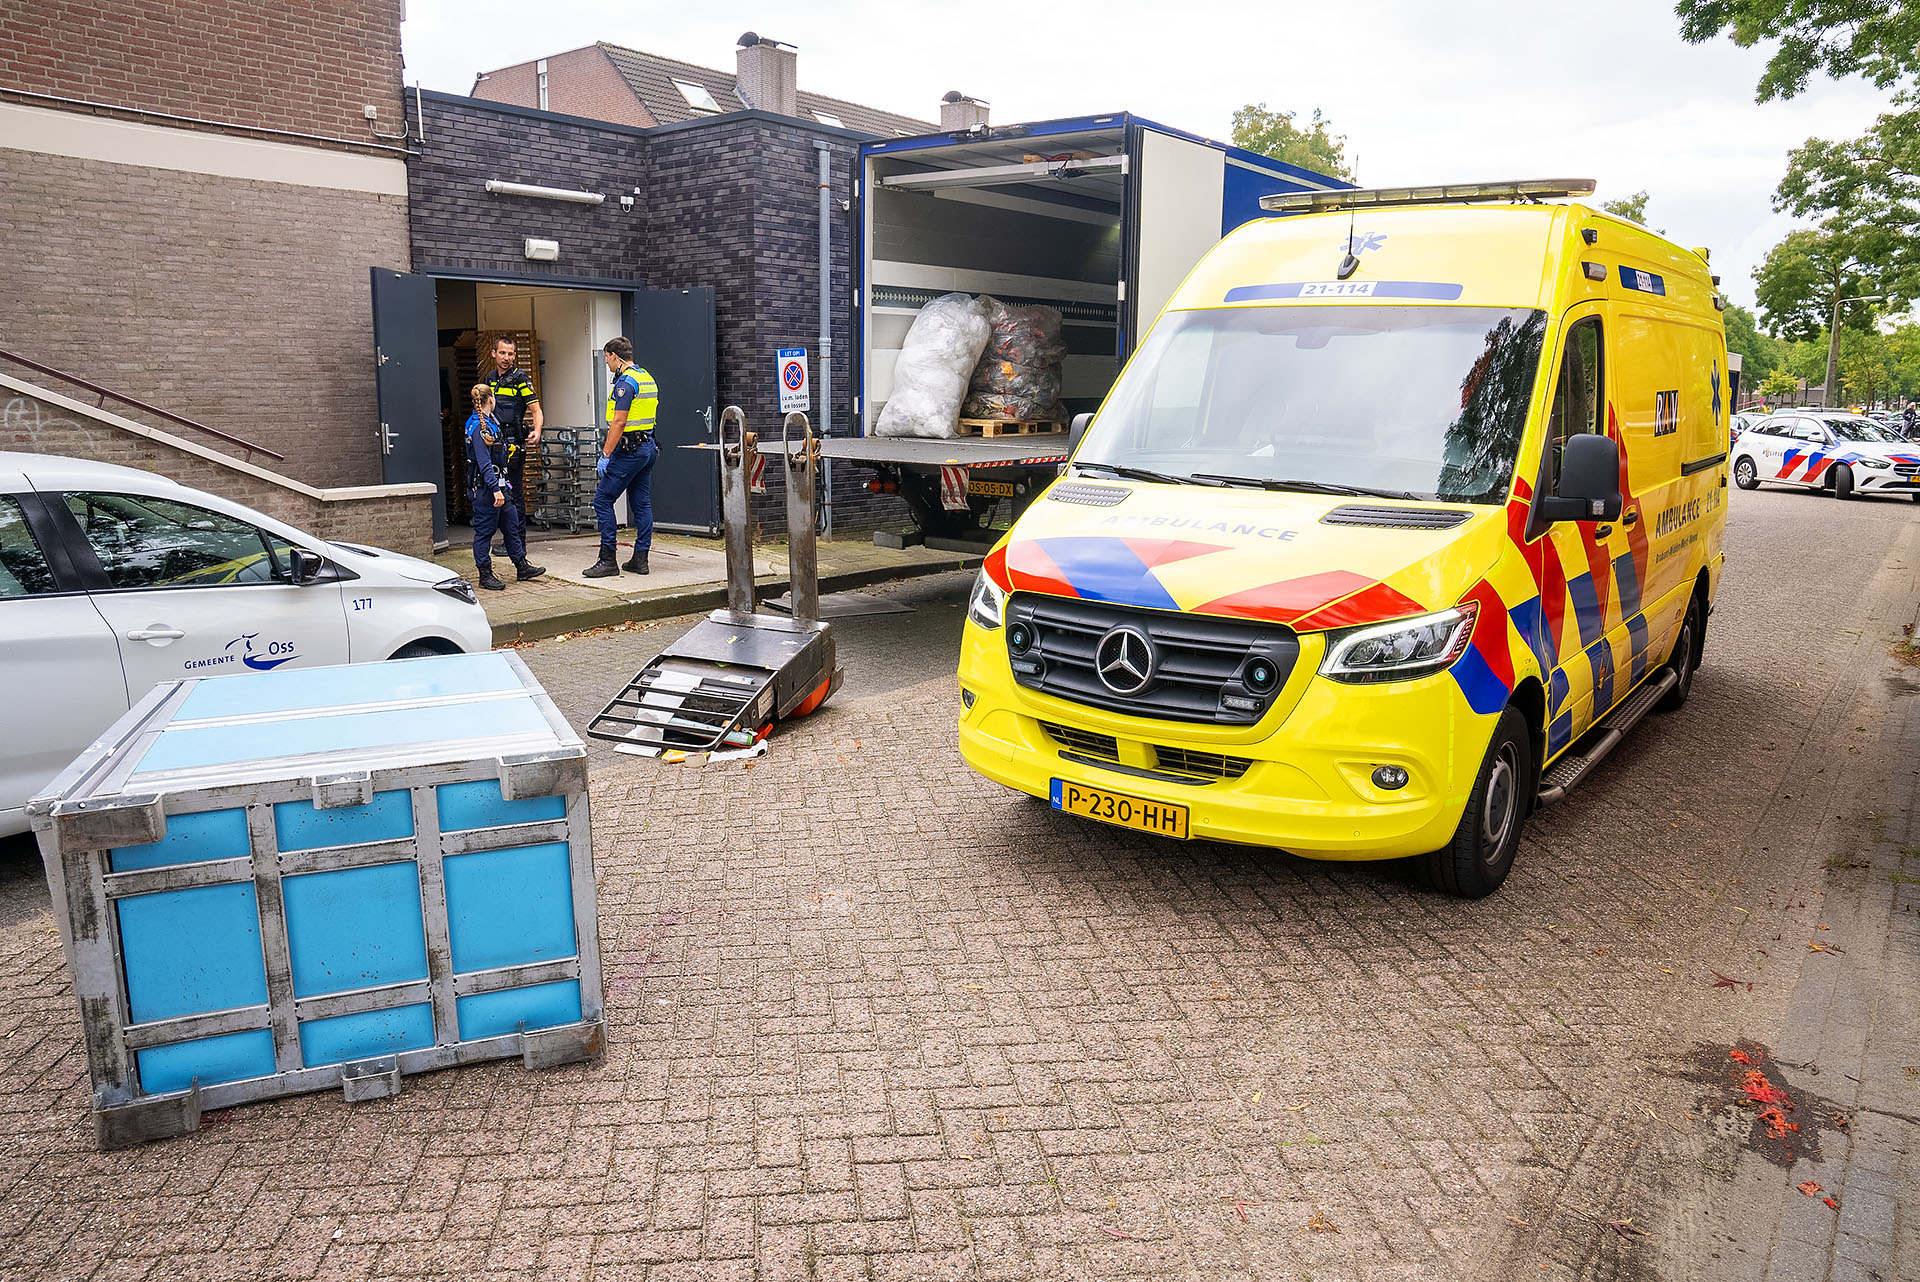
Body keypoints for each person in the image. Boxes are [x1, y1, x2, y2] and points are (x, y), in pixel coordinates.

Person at [584, 336, 659, 578]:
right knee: (642, 503)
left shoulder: (625, 383)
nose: (606, 363)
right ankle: (640, 559)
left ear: (615, 355)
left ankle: (607, 561)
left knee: (603, 500)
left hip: (629, 451)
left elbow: (619, 421)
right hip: (647, 447)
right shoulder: (646, 377)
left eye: (607, 358)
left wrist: (605, 454)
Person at [464, 383, 545, 590]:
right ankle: (485, 574)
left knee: (512, 525)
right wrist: (495, 490)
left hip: (501, 486)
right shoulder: (478, 428)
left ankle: (521, 566)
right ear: (491, 399)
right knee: (484, 532)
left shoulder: (492, 423)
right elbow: (484, 464)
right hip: (486, 490)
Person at [485, 336, 542, 516]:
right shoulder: (490, 379)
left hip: (512, 445)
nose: (506, 357)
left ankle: (518, 543)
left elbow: (536, 410)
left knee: (514, 493)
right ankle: (507, 541)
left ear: (515, 356)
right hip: (493, 443)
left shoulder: (521, 379)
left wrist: (537, 430)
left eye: (510, 354)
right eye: (502, 353)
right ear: (494, 353)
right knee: (495, 491)